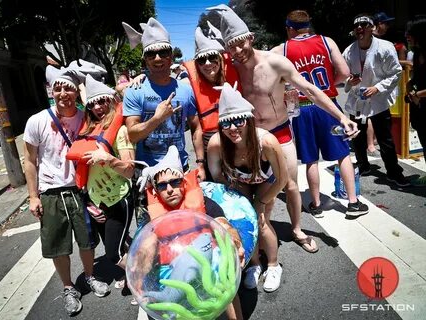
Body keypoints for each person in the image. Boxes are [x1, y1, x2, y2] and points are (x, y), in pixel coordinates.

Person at [207, 5, 359, 263]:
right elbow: (199, 70)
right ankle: (256, 235)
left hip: (279, 131)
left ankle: (298, 230)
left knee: (289, 183)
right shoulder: (230, 67)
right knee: (247, 188)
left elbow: (310, 90)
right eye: (231, 47)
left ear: (250, 38)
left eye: (241, 44)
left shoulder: (275, 61)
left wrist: (342, 117)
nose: (238, 51)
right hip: (250, 136)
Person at [23, 65, 109, 317]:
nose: (63, 94)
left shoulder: (86, 118)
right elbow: (29, 160)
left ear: (75, 92)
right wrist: (32, 196)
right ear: (51, 90)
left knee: (87, 240)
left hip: (80, 189)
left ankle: (90, 276)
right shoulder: (37, 121)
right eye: (58, 89)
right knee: (58, 246)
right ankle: (69, 287)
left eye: (68, 89)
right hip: (51, 192)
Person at [271, 10, 369, 218]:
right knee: (342, 154)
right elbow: (343, 72)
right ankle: (352, 202)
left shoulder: (282, 49)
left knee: (310, 159)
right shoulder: (326, 41)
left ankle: (315, 204)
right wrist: (326, 89)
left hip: (302, 109)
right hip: (328, 105)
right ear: (308, 25)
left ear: (289, 28)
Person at [133, 145, 245, 319]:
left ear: (184, 182)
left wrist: (235, 243)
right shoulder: (152, 217)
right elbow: (147, 246)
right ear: (156, 190)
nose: (169, 189)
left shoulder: (204, 203)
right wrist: (140, 277)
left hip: (208, 263)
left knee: (225, 283)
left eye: (175, 182)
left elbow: (223, 225)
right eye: (162, 186)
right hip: (172, 270)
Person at [121, 17, 206, 225]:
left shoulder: (185, 90)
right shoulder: (135, 90)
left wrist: (201, 164)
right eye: (151, 54)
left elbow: (196, 128)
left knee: (187, 226)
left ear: (171, 56)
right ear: (145, 60)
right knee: (149, 233)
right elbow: (131, 134)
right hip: (147, 174)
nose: (157, 58)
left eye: (163, 53)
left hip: (180, 170)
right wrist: (157, 118)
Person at [207, 82, 288, 293]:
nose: (233, 129)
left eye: (238, 120)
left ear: (249, 120)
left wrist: (260, 202)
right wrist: (236, 201)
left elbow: (282, 178)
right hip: (239, 182)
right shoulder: (217, 143)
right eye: (226, 123)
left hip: (267, 181)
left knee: (261, 220)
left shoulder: (267, 142)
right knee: (244, 219)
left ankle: (273, 264)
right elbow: (216, 175)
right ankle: (254, 264)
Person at [76, 75, 135, 283]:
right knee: (120, 242)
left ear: (111, 101)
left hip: (119, 199)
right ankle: (134, 273)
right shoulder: (87, 130)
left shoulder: (121, 131)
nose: (98, 107)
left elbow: (129, 170)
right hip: (96, 201)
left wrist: (108, 158)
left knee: (113, 253)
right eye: (93, 104)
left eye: (102, 101)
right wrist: (89, 202)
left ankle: (144, 281)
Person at [342, 14, 410, 187]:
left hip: (378, 99)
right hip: (358, 98)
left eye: (364, 24)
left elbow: (396, 72)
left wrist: (378, 87)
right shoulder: (349, 51)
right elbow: (343, 74)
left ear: (372, 28)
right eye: (356, 25)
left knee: (385, 138)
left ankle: (393, 172)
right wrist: (350, 81)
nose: (359, 28)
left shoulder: (385, 47)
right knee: (357, 136)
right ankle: (363, 165)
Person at [183, 26, 240, 181]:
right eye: (202, 60)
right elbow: (165, 82)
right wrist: (138, 79)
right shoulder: (188, 83)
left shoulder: (237, 70)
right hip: (211, 149)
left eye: (212, 58)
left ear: (220, 58)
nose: (207, 64)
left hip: (239, 143)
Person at [404, 18, 426, 186]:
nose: (406, 36)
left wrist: (418, 94)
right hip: (419, 107)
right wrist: (409, 86)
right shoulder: (417, 53)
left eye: (410, 33)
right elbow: (414, 78)